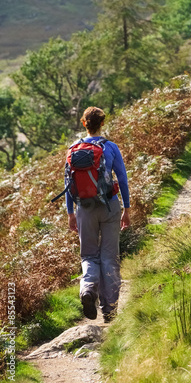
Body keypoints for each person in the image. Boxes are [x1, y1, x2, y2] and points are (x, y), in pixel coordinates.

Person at [67, 106, 130, 323]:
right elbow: (122, 179)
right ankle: (109, 310)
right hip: (110, 207)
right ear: (102, 123)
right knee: (109, 257)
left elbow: (69, 184)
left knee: (89, 255)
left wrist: (70, 213)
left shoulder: (74, 148)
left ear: (84, 123)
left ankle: (88, 289)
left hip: (84, 209)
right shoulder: (110, 147)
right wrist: (127, 209)